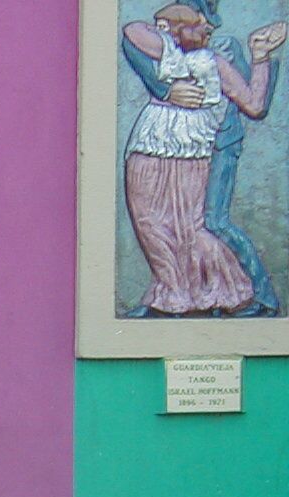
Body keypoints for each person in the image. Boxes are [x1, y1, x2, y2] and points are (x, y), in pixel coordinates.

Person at [121, 0, 283, 317]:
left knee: (191, 226)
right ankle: (170, 293)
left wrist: (261, 55)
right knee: (149, 221)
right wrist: (166, 89)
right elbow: (131, 32)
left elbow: (254, 105)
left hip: (191, 151)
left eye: (206, 24)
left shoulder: (216, 61)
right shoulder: (164, 55)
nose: (208, 28)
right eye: (199, 23)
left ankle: (228, 293)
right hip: (149, 145)